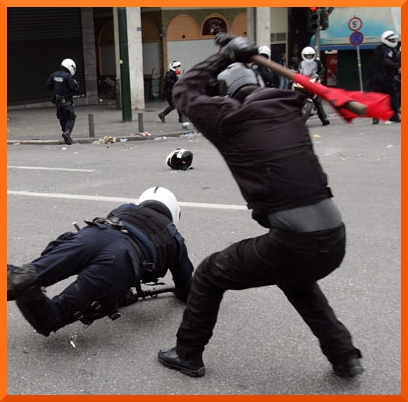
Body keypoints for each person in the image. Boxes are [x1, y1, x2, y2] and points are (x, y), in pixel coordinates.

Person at [158, 34, 363, 379]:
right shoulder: (288, 112)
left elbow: (185, 89)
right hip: (333, 236)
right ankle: (345, 356)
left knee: (209, 274)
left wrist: (224, 56)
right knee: (296, 280)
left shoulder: (228, 118)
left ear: (227, 93)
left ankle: (187, 354)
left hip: (296, 241)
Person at [7, 187, 194, 337]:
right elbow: (186, 286)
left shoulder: (124, 208)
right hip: (120, 260)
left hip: (92, 236)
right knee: (52, 318)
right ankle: (27, 289)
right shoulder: (173, 237)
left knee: (28, 274)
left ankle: (17, 277)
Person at [367, 31, 401, 124]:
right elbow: (387, 61)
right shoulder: (388, 50)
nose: (394, 41)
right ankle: (393, 117)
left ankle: (376, 117)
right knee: (392, 96)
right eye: (392, 40)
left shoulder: (379, 49)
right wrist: (397, 67)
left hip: (375, 77)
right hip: (385, 77)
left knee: (376, 98)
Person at [46, 58, 79, 145]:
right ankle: (67, 132)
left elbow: (48, 86)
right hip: (66, 101)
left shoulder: (53, 75)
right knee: (70, 118)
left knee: (62, 118)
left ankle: (65, 133)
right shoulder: (68, 76)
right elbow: (74, 89)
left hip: (57, 102)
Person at [297, 46, 330, 126]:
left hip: (312, 82)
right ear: (303, 55)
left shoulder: (317, 63)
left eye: (310, 55)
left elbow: (322, 70)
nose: (309, 57)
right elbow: (295, 70)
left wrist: (320, 77)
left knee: (317, 100)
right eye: (307, 55)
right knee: (295, 97)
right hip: (302, 82)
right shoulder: (300, 62)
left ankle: (324, 118)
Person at [158, 61, 190, 129]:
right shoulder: (170, 73)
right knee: (174, 105)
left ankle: (180, 118)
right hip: (169, 92)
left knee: (176, 104)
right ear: (173, 67)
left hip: (171, 91)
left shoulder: (173, 74)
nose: (178, 68)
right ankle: (162, 114)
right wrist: (176, 82)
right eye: (176, 67)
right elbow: (168, 81)